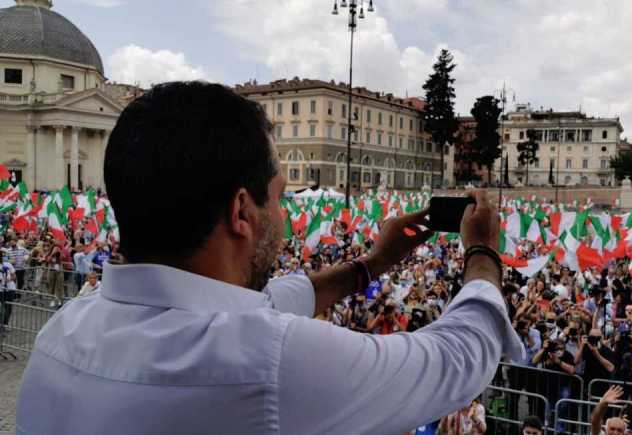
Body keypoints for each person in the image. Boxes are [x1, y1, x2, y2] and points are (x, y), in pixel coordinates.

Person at [16, 82, 523, 435]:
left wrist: (371, 264)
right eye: (278, 196)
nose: (282, 212)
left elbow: (266, 303)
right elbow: (457, 358)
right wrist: (482, 250)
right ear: (242, 210)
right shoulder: (272, 362)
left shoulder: (61, 333)